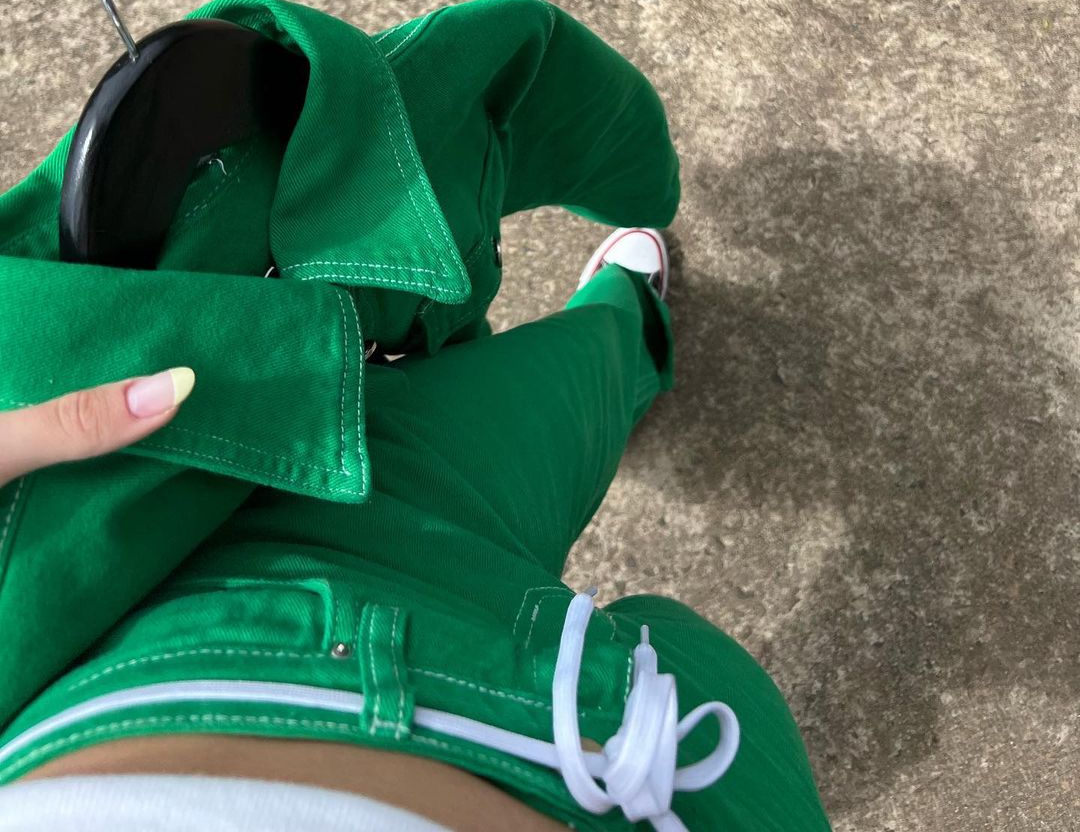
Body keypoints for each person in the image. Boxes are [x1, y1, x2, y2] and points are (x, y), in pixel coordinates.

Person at [0, 226, 830, 830]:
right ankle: (625, 326)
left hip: (199, 626)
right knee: (726, 696)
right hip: (648, 786)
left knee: (570, 378)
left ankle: (632, 327)